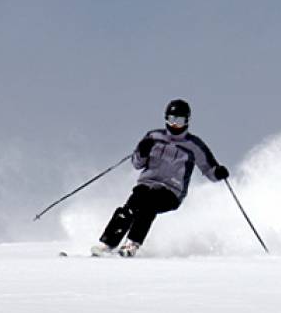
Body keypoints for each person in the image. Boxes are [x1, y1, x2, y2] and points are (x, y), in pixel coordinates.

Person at [92, 99, 229, 257]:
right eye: (172, 120)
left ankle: (132, 244)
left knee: (147, 207)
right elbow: (137, 163)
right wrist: (142, 151)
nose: (175, 125)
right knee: (129, 208)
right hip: (147, 184)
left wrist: (218, 172)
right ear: (166, 119)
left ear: (187, 121)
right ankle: (108, 244)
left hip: (171, 191)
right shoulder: (153, 137)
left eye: (180, 121)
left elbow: (209, 168)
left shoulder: (194, 146)